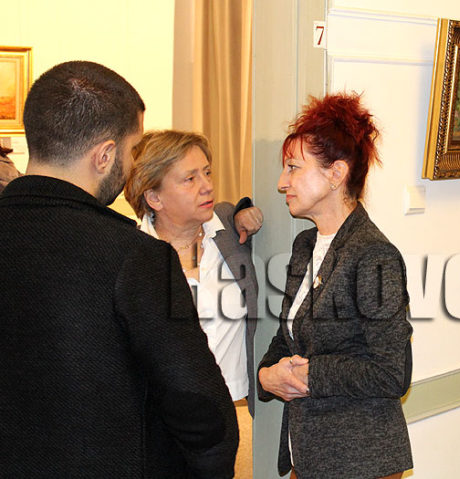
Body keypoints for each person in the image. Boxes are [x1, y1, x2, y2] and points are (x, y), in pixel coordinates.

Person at [0, 61, 238, 478]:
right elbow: (201, 411)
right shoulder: (135, 256)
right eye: (132, 150)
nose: (131, 165)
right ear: (105, 155)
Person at [258, 93, 413, 479]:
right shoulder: (304, 245)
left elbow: (392, 373)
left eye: (293, 168)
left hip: (360, 463)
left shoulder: (373, 255)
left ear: (336, 174)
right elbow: (290, 337)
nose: (282, 182)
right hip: (307, 456)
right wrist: (266, 375)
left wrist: (310, 375)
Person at [124, 129, 260, 416]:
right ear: (154, 198)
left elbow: (244, 212)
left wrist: (246, 213)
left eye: (207, 173)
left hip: (237, 411)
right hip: (160, 419)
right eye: (190, 179)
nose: (207, 186)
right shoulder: (128, 257)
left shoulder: (228, 228)